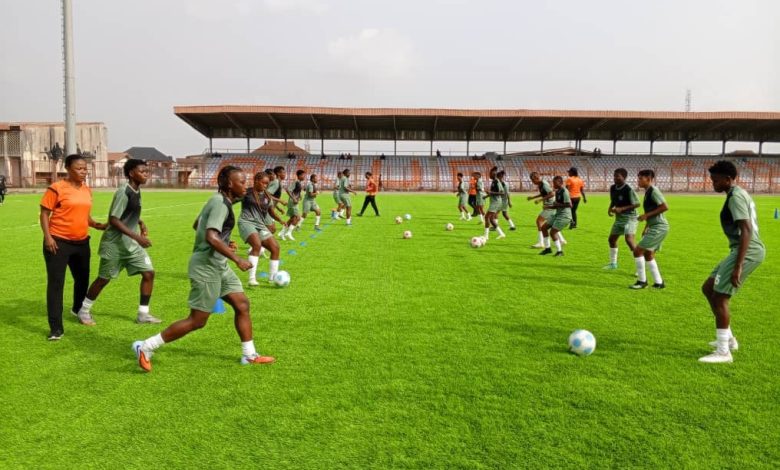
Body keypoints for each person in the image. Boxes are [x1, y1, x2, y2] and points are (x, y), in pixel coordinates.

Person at [133, 166, 275, 371]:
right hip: (206, 266)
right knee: (197, 321)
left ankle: (249, 355)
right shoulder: (220, 204)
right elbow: (210, 236)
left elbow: (197, 224)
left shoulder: (221, 201)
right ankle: (146, 346)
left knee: (242, 304)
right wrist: (237, 258)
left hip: (218, 263)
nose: (246, 186)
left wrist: (224, 242)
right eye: (241, 182)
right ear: (228, 184)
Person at [76, 159, 161, 325]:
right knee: (103, 279)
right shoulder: (124, 191)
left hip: (130, 245)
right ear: (131, 173)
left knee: (149, 273)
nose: (146, 175)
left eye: (146, 172)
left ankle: (143, 314)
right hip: (114, 245)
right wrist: (137, 237)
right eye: (142, 172)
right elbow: (114, 219)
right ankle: (83, 311)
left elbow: (127, 213)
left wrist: (140, 221)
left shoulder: (136, 190)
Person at [699, 161, 765, 364]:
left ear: (728, 179)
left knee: (720, 297)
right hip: (740, 250)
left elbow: (746, 230)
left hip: (747, 251)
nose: (713, 184)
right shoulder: (737, 193)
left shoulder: (735, 196)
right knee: (708, 288)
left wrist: (738, 265)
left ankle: (723, 352)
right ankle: (728, 339)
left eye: (716, 180)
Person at [39, 154, 107, 340]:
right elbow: (45, 214)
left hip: (82, 243)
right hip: (58, 243)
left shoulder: (87, 190)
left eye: (85, 168)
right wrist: (48, 237)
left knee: (82, 280)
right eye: (79, 168)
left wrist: (97, 225)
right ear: (68, 168)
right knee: (56, 285)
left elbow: (84, 216)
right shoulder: (57, 188)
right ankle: (56, 328)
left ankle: (78, 309)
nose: (83, 171)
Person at [239, 172, 282, 286]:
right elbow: (231, 201)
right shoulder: (246, 193)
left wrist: (280, 220)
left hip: (260, 224)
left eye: (267, 184)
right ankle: (251, 279)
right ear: (256, 181)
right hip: (246, 222)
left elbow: (271, 212)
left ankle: (273, 278)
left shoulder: (267, 196)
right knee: (257, 245)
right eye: (264, 183)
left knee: (275, 248)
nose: (266, 185)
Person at [631, 169, 669, 289]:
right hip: (655, 226)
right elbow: (652, 210)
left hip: (659, 227)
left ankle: (642, 282)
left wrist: (646, 216)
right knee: (648, 254)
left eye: (640, 178)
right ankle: (659, 282)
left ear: (649, 179)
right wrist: (647, 226)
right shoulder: (648, 191)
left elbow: (664, 207)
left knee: (637, 251)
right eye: (638, 178)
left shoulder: (653, 191)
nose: (638, 181)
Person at [604, 168, 640, 270]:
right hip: (619, 218)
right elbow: (613, 200)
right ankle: (613, 264)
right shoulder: (613, 188)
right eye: (614, 176)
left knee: (629, 240)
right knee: (612, 239)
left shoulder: (628, 189)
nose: (615, 178)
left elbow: (637, 204)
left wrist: (622, 208)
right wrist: (610, 208)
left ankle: (639, 268)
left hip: (630, 218)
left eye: (617, 176)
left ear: (624, 177)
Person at [528, 172, 566, 248]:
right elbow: (544, 193)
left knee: (539, 221)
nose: (532, 182)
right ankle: (562, 240)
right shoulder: (541, 184)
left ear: (536, 178)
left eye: (533, 180)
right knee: (551, 224)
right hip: (549, 206)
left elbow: (552, 194)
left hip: (550, 206)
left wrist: (540, 200)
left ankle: (541, 242)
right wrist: (533, 197)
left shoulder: (544, 184)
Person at [539, 176, 571, 256]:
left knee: (553, 232)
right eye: (553, 183)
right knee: (543, 228)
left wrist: (557, 204)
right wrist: (549, 207)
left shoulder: (564, 191)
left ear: (560, 183)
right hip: (558, 214)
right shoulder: (557, 191)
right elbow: (556, 205)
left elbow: (569, 205)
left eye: (554, 183)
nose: (553, 185)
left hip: (564, 216)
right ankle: (548, 249)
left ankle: (560, 251)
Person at [280, 169, 305, 241]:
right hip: (292, 202)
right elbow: (288, 189)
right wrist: (294, 198)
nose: (304, 177)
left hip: (295, 202)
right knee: (298, 218)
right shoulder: (296, 182)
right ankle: (289, 233)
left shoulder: (299, 183)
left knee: (292, 219)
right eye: (303, 175)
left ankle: (282, 233)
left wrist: (299, 196)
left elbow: (296, 191)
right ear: (299, 175)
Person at [483, 168, 506, 240]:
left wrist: (490, 192)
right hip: (494, 201)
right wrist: (486, 196)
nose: (489, 175)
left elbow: (502, 192)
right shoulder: (494, 181)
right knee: (491, 219)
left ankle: (486, 236)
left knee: (487, 217)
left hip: (496, 202)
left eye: (490, 173)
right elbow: (492, 192)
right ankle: (501, 234)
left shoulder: (496, 182)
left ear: (493, 174)